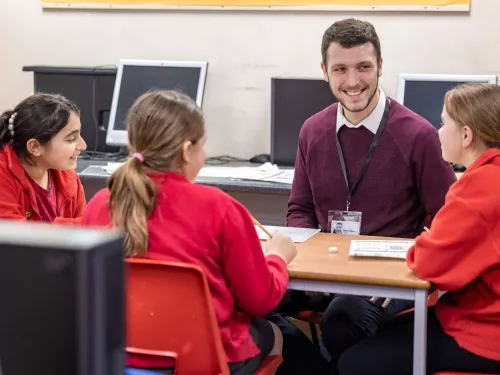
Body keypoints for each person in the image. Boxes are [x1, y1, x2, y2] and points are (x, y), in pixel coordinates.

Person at [81, 90, 298, 375]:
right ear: (186, 151)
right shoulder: (219, 207)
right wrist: (277, 258)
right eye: (203, 145)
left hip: (115, 357)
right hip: (201, 363)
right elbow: (260, 300)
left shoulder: (100, 203)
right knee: (276, 334)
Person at [285, 18, 457, 372]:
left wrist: (408, 270)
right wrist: (304, 260)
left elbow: (445, 220)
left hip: (386, 278)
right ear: (324, 71)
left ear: (380, 66)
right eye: (340, 69)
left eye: (363, 67)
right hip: (323, 269)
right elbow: (300, 209)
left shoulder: (419, 135)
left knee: (343, 319)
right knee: (251, 297)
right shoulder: (312, 130)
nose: (352, 82)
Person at [337, 82, 500, 375]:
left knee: (354, 363)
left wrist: (427, 241)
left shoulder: (478, 188)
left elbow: (427, 261)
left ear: (466, 135)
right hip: (479, 317)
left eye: (443, 123)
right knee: (384, 330)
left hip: (483, 335)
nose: (437, 131)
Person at [0, 93, 87, 224]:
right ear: (35, 147)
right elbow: (13, 238)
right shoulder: (3, 175)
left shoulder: (69, 178)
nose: (83, 146)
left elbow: (87, 233)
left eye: (79, 135)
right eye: (71, 139)